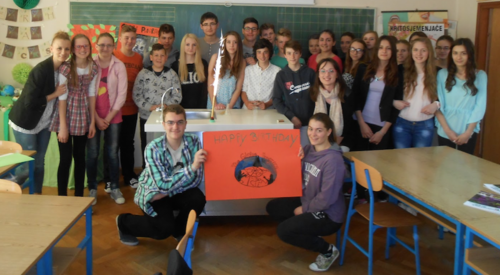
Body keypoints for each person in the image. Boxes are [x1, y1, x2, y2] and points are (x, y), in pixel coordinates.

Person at [116, 104, 207, 246]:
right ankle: (124, 222)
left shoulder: (194, 141)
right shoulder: (153, 148)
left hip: (161, 193)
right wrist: (192, 167)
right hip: (152, 193)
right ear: (164, 125)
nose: (175, 127)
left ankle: (179, 231)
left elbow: (196, 180)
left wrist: (166, 192)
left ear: (185, 124)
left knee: (198, 199)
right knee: (163, 230)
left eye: (180, 122)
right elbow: (161, 184)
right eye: (170, 122)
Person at [266, 113, 345, 272]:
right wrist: (297, 160)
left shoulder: (333, 161)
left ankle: (328, 251)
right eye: (310, 129)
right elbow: (296, 175)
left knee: (283, 231)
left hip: (328, 214)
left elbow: (326, 198)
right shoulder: (308, 149)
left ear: (329, 132)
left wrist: (304, 210)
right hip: (309, 200)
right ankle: (309, 231)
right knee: (273, 207)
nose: (313, 134)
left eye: (319, 130)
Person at [9, 31, 70, 194]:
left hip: (44, 123)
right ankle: (8, 189)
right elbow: (29, 102)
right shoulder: (41, 70)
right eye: (59, 48)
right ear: (51, 49)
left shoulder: (64, 69)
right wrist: (54, 94)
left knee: (39, 162)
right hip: (26, 122)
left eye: (66, 49)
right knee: (27, 163)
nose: (63, 52)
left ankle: (36, 194)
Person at [50, 34, 98, 197]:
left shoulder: (94, 67)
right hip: (66, 114)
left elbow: (92, 94)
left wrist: (92, 122)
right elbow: (62, 98)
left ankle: (79, 197)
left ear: (90, 48)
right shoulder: (66, 68)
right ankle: (62, 197)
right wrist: (63, 127)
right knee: (65, 159)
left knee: (80, 158)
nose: (82, 49)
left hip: (83, 114)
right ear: (73, 49)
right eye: (78, 46)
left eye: (86, 46)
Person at [87, 33, 127, 204]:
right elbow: (87, 93)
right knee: (93, 153)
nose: (105, 48)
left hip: (113, 117)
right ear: (96, 46)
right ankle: (92, 189)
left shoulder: (119, 66)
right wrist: (96, 118)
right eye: (101, 45)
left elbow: (122, 94)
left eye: (109, 45)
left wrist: (108, 118)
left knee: (112, 153)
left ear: (113, 47)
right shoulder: (90, 64)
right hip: (92, 117)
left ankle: (115, 188)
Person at [435, 38, 487, 155]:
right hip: (445, 128)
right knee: (443, 168)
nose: (459, 57)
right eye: (455, 53)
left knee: (465, 168)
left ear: (470, 55)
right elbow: (438, 105)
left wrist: (468, 133)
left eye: (463, 53)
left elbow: (480, 107)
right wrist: (447, 131)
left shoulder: (480, 75)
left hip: (468, 130)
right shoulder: (442, 74)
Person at [133, 43, 182, 168]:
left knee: (166, 147)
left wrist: (166, 106)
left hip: (167, 120)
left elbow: (178, 95)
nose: (159, 58)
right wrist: (150, 106)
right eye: (156, 55)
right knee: (147, 146)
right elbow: (136, 95)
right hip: (146, 117)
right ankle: (147, 172)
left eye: (162, 55)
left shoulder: (172, 74)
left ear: (166, 58)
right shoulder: (143, 74)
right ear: (151, 57)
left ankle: (166, 172)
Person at [352, 35, 403, 151]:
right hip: (361, 123)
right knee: (359, 161)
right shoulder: (363, 68)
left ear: (393, 51)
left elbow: (396, 108)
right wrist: (362, 124)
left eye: (388, 48)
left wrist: (382, 132)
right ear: (376, 50)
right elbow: (356, 97)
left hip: (382, 127)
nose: (384, 51)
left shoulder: (398, 74)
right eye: (381, 47)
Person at [392, 38, 439, 148]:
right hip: (402, 123)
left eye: (423, 50)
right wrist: (393, 102)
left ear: (429, 52)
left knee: (420, 162)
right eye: (415, 50)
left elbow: (445, 97)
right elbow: (387, 94)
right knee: (401, 160)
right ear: (410, 52)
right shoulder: (400, 70)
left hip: (425, 124)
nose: (419, 54)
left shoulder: (437, 72)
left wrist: (436, 104)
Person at [113, 24, 143, 189]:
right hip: (114, 110)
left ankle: (129, 175)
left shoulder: (138, 58)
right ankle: (111, 178)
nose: (130, 41)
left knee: (128, 143)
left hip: (132, 109)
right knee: (112, 144)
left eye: (133, 38)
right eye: (127, 38)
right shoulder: (113, 55)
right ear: (120, 39)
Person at [273, 40, 315, 147]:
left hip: (310, 123)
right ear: (285, 55)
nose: (292, 56)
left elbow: (318, 96)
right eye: (289, 53)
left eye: (296, 53)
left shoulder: (310, 73)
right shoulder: (281, 76)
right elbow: (276, 101)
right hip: (290, 122)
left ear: (300, 54)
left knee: (308, 153)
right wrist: (291, 117)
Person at [310, 58, 353, 149]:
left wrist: (331, 145)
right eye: (323, 71)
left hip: (341, 140)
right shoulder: (312, 93)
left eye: (331, 71)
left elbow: (348, 124)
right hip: (317, 139)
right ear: (318, 74)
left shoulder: (346, 94)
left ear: (337, 74)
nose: (327, 74)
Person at [207, 31, 246, 110]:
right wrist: (215, 105)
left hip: (232, 105)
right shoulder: (215, 58)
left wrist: (229, 106)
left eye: (235, 42)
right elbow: (210, 85)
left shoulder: (242, 62)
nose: (231, 45)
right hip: (214, 104)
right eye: (228, 42)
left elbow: (238, 88)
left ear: (239, 45)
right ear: (224, 43)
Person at [171, 34, 208, 109]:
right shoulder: (175, 66)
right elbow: (174, 91)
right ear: (183, 46)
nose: (190, 48)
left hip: (200, 108)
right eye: (187, 44)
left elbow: (205, 89)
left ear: (197, 46)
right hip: (181, 109)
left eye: (194, 45)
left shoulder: (203, 64)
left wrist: (203, 107)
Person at [241, 39, 280, 110]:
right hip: (248, 109)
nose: (262, 55)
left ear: (270, 53)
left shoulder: (277, 71)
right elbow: (244, 91)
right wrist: (247, 103)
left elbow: (277, 95)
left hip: (268, 110)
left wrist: (266, 104)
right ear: (255, 53)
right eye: (259, 52)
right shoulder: (248, 70)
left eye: (265, 52)